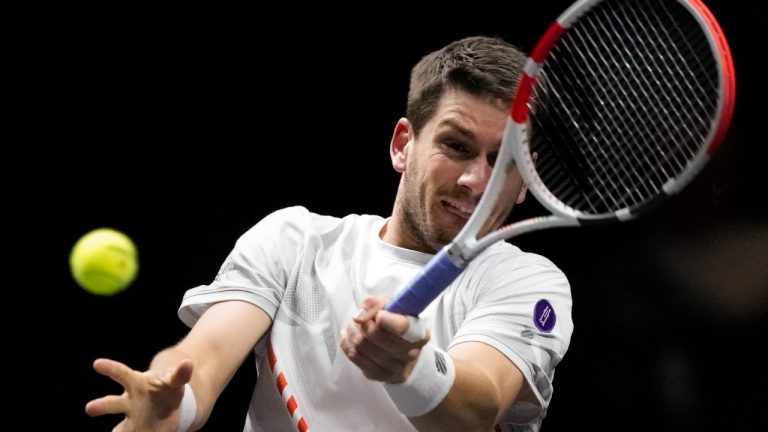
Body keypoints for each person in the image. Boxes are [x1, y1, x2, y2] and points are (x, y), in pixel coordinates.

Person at [85, 35, 573, 432]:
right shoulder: (294, 243)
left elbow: (479, 406)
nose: (476, 181)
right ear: (403, 145)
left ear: (525, 179)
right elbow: (204, 357)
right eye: (457, 146)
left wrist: (412, 368)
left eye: (503, 161)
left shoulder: (527, 282)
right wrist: (176, 403)